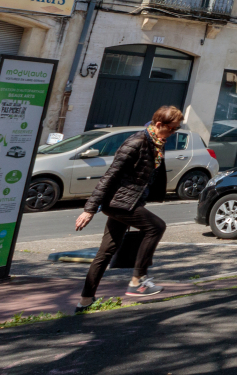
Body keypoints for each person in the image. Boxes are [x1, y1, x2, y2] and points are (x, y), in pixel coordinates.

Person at [74, 105, 183, 309]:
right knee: (156, 226)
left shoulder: (157, 142)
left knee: (106, 251)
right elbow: (110, 175)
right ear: (159, 124)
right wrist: (89, 209)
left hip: (129, 201)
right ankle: (137, 281)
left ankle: (85, 300)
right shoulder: (137, 142)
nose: (174, 133)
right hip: (120, 203)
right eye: (173, 129)